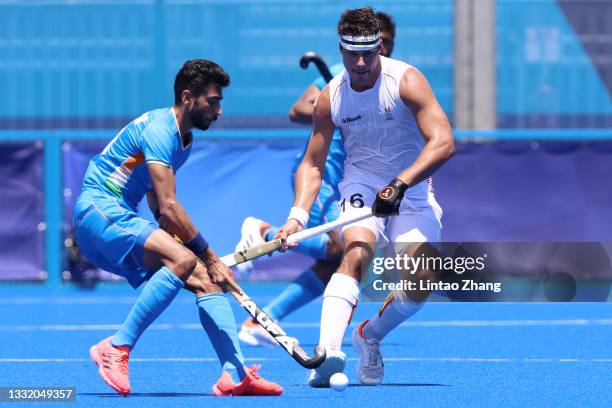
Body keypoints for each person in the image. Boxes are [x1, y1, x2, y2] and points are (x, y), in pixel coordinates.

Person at [73, 59, 282, 397]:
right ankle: (116, 346)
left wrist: (198, 259)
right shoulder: (160, 130)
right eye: (212, 102)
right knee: (190, 261)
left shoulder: (182, 141)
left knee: (203, 279)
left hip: (116, 217)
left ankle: (235, 373)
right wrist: (211, 255)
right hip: (98, 212)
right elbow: (170, 207)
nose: (218, 111)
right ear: (188, 98)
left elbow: (158, 204)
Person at [275, 7, 454, 387]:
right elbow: (312, 164)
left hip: (412, 186)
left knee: (422, 279)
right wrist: (296, 217)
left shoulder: (406, 80)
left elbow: (443, 142)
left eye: (369, 53)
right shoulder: (330, 98)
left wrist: (400, 184)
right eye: (352, 53)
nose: (360, 62)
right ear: (340, 49)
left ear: (380, 49)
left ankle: (369, 335)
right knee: (356, 253)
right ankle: (325, 356)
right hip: (360, 183)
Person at [236, 11, 397, 347]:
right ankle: (262, 231)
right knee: (342, 247)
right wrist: (342, 110)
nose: (375, 53)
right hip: (324, 171)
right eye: (371, 45)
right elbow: (297, 110)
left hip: (349, 178)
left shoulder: (390, 80)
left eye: (384, 46)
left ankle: (260, 321)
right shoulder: (343, 75)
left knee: (338, 260)